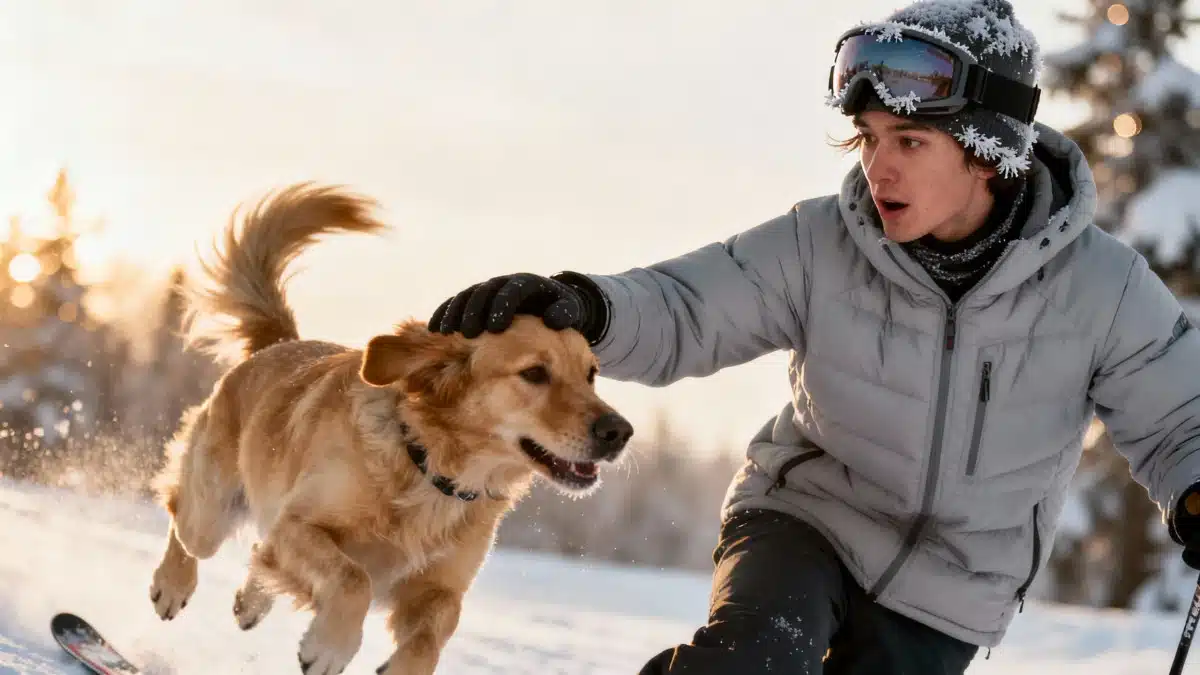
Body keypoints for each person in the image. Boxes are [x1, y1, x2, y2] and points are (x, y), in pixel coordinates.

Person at [427, 0, 1200, 672]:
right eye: (866, 137)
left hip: (956, 585)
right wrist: (583, 306)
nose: (878, 168)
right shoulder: (823, 244)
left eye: (909, 142)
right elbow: (687, 307)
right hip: (808, 518)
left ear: (986, 155)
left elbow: (1179, 415)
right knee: (754, 661)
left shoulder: (1101, 288)